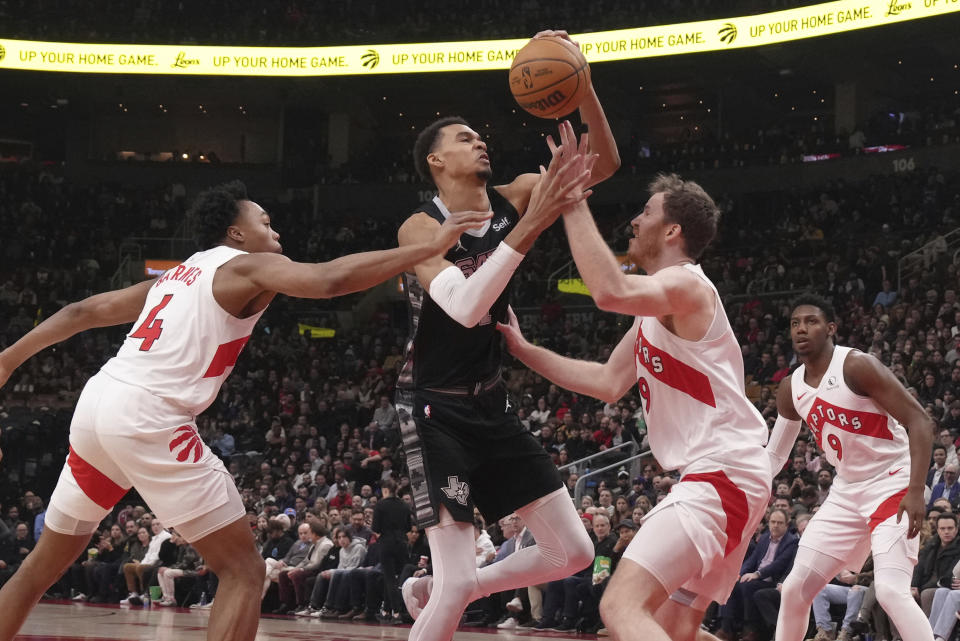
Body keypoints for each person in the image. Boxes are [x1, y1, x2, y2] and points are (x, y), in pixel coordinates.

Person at [0, 180, 489, 641]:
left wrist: (7, 360)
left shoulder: (174, 276)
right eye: (265, 221)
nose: (275, 231)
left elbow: (78, 313)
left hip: (97, 406)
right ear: (236, 233)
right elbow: (330, 278)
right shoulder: (243, 265)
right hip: (148, 415)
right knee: (244, 570)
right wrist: (429, 246)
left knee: (41, 566)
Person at [498, 126, 771, 641]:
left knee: (620, 608)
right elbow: (605, 382)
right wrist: (525, 350)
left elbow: (608, 289)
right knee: (677, 630)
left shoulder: (688, 284)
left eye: (645, 212)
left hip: (721, 476)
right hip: (730, 477)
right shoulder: (656, 314)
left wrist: (572, 202)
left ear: (672, 231)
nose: (634, 220)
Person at [394, 29, 620, 641]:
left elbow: (603, 161)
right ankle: (447, 586)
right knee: (457, 582)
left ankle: (438, 587)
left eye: (480, 134)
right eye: (464, 138)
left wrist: (584, 82)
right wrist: (537, 221)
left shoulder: (515, 195)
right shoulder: (421, 226)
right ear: (436, 161)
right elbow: (467, 308)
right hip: (434, 408)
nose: (480, 140)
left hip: (491, 403)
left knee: (571, 552)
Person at [766, 294, 935, 641]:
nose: (801, 329)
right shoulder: (790, 387)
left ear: (830, 328)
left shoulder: (856, 366)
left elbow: (920, 421)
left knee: (890, 591)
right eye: (795, 323)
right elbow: (773, 457)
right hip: (846, 490)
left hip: (893, 481)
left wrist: (916, 490)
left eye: (811, 321)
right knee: (795, 588)